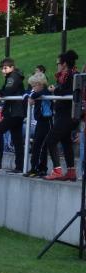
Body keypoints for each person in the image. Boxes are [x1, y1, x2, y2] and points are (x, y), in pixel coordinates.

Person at [44, 50, 80, 181]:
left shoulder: (72, 75)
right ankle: (71, 171)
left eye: (57, 64)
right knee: (66, 142)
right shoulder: (66, 75)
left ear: (64, 64)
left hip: (67, 115)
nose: (57, 66)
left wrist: (55, 90)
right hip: (63, 114)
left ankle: (57, 170)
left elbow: (70, 92)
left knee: (50, 140)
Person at [0, 58, 25, 172]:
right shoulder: (13, 76)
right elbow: (6, 90)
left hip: (14, 113)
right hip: (16, 113)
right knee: (17, 140)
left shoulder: (13, 76)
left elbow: (8, 91)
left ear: (12, 67)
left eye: (5, 68)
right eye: (2, 68)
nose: (3, 70)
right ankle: (19, 167)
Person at [23, 72, 53, 178]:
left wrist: (31, 97)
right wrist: (29, 97)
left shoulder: (46, 91)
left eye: (34, 85)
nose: (33, 88)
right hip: (40, 122)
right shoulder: (36, 93)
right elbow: (25, 94)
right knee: (37, 145)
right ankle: (35, 168)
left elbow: (36, 94)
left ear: (40, 84)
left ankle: (41, 168)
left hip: (46, 122)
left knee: (42, 146)